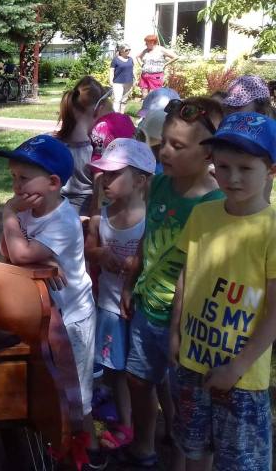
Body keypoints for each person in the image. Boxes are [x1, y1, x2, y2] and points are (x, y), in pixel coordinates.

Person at [120, 97, 224, 469]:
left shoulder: (216, 204)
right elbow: (148, 237)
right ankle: (144, 445)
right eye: (164, 142)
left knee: (186, 398)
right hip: (147, 308)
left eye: (178, 146)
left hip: (185, 322)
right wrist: (130, 283)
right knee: (138, 379)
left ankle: (179, 459)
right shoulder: (160, 184)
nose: (164, 151)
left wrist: (182, 324)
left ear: (209, 153)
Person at [169, 112, 276, 471]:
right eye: (224, 166)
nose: (232, 177)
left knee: (239, 463)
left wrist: (238, 367)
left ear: (271, 170)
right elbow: (187, 275)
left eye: (245, 168)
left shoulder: (272, 230)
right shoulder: (203, 215)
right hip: (192, 360)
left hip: (241, 376)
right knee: (194, 450)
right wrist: (175, 332)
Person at [0, 135, 105, 470]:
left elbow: (20, 254)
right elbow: (7, 251)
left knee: (76, 393)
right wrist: (19, 229)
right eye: (13, 177)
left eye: (24, 178)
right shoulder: (28, 212)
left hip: (72, 319)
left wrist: (9, 214)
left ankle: (89, 453)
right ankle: (60, 446)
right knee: (52, 387)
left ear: (54, 183)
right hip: (45, 314)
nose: (16, 186)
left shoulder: (63, 221)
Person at [86, 139, 155, 451]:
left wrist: (137, 265)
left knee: (144, 374)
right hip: (109, 306)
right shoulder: (100, 216)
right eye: (104, 173)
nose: (105, 180)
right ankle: (126, 424)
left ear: (139, 180)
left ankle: (157, 428)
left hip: (141, 309)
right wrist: (101, 253)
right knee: (116, 370)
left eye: (114, 174)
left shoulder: (151, 219)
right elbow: (89, 249)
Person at [56, 76, 105, 216]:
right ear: (98, 110)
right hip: (85, 219)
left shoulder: (51, 144)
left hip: (54, 215)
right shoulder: (97, 150)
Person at [110, 43, 135, 113]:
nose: (128, 51)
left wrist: (135, 78)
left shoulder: (130, 59)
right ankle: (115, 115)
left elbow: (132, 69)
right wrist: (111, 81)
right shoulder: (115, 60)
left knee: (124, 100)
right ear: (121, 51)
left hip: (129, 82)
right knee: (117, 99)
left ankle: (122, 115)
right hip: (118, 83)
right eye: (126, 50)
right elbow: (111, 70)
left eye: (129, 50)